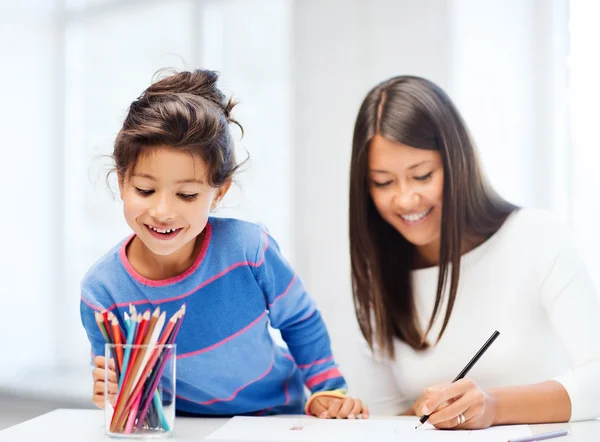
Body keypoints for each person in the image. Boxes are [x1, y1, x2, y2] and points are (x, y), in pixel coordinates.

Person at [80, 69, 368, 419]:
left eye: (187, 195)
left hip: (275, 415)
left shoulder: (248, 249)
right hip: (183, 428)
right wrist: (112, 395)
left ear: (220, 193)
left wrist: (327, 389)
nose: (163, 211)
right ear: (122, 181)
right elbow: (126, 396)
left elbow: (298, 318)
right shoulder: (102, 291)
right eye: (144, 190)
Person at [348, 75, 600, 428]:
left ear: (457, 163)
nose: (405, 199)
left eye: (422, 176)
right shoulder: (380, 278)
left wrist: (493, 406)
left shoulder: (535, 236)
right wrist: (425, 409)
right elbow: (387, 418)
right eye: (383, 182)